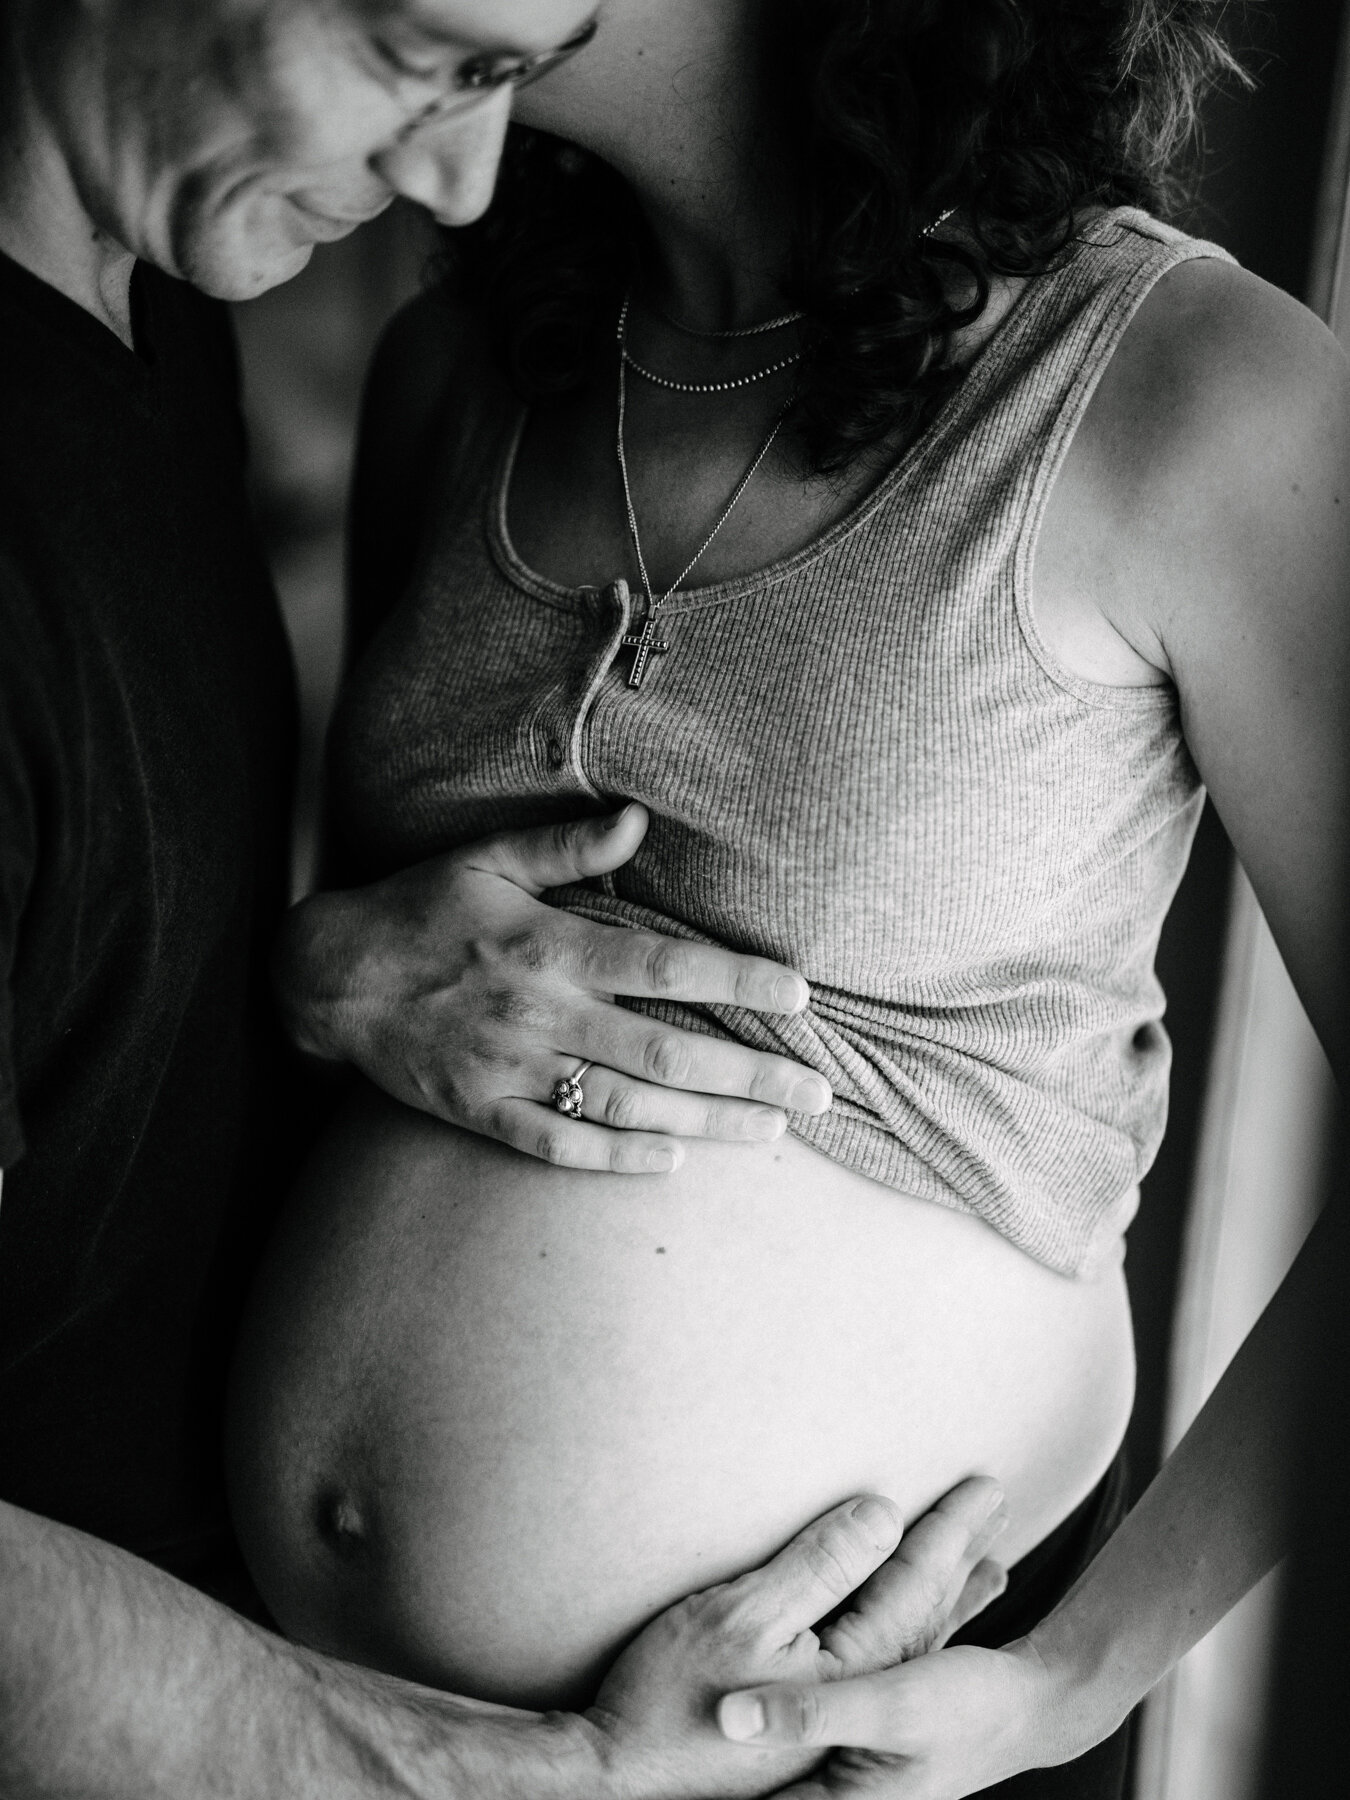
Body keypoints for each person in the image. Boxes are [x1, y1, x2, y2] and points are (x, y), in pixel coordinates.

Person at [226, 0, 1349, 1795]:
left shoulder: (1186, 389)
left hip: (829, 1755)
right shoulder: (460, 371)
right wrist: (313, 971)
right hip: (300, 1721)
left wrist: (1067, 1688)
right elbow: (380, 992)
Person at [0, 2, 1007, 1794]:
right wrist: (535, 1780)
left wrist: (319, 975)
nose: (461, 183)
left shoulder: (151, 309)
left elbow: (94, 978)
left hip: (236, 1665)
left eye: (500, 79)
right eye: (424, 52)